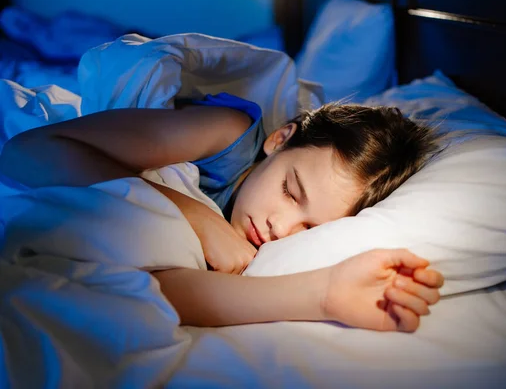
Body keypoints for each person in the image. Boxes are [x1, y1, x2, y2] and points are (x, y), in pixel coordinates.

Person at [0, 93, 444, 332]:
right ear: (280, 140)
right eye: (291, 191)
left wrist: (324, 294)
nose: (281, 228)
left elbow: (158, 290)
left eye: (309, 229)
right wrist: (195, 214)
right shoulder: (228, 139)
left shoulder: (270, 249)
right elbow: (29, 151)